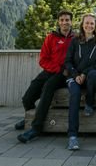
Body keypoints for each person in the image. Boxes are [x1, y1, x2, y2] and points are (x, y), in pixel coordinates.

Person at [15, 10, 74, 143]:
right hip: (49, 71)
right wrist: (56, 68)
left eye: (67, 20)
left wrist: (65, 70)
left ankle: (36, 128)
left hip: (64, 74)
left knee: (48, 88)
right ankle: (29, 118)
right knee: (27, 98)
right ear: (58, 22)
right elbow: (43, 60)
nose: (65, 22)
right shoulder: (50, 38)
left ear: (71, 22)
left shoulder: (75, 39)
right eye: (62, 20)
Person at [63, 13, 96, 150]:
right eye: (86, 23)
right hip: (73, 77)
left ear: (95, 26)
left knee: (93, 74)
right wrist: (76, 75)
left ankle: (89, 102)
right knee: (74, 93)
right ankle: (73, 136)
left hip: (89, 78)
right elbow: (67, 61)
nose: (89, 25)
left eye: (92, 23)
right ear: (82, 25)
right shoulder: (75, 41)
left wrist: (84, 74)